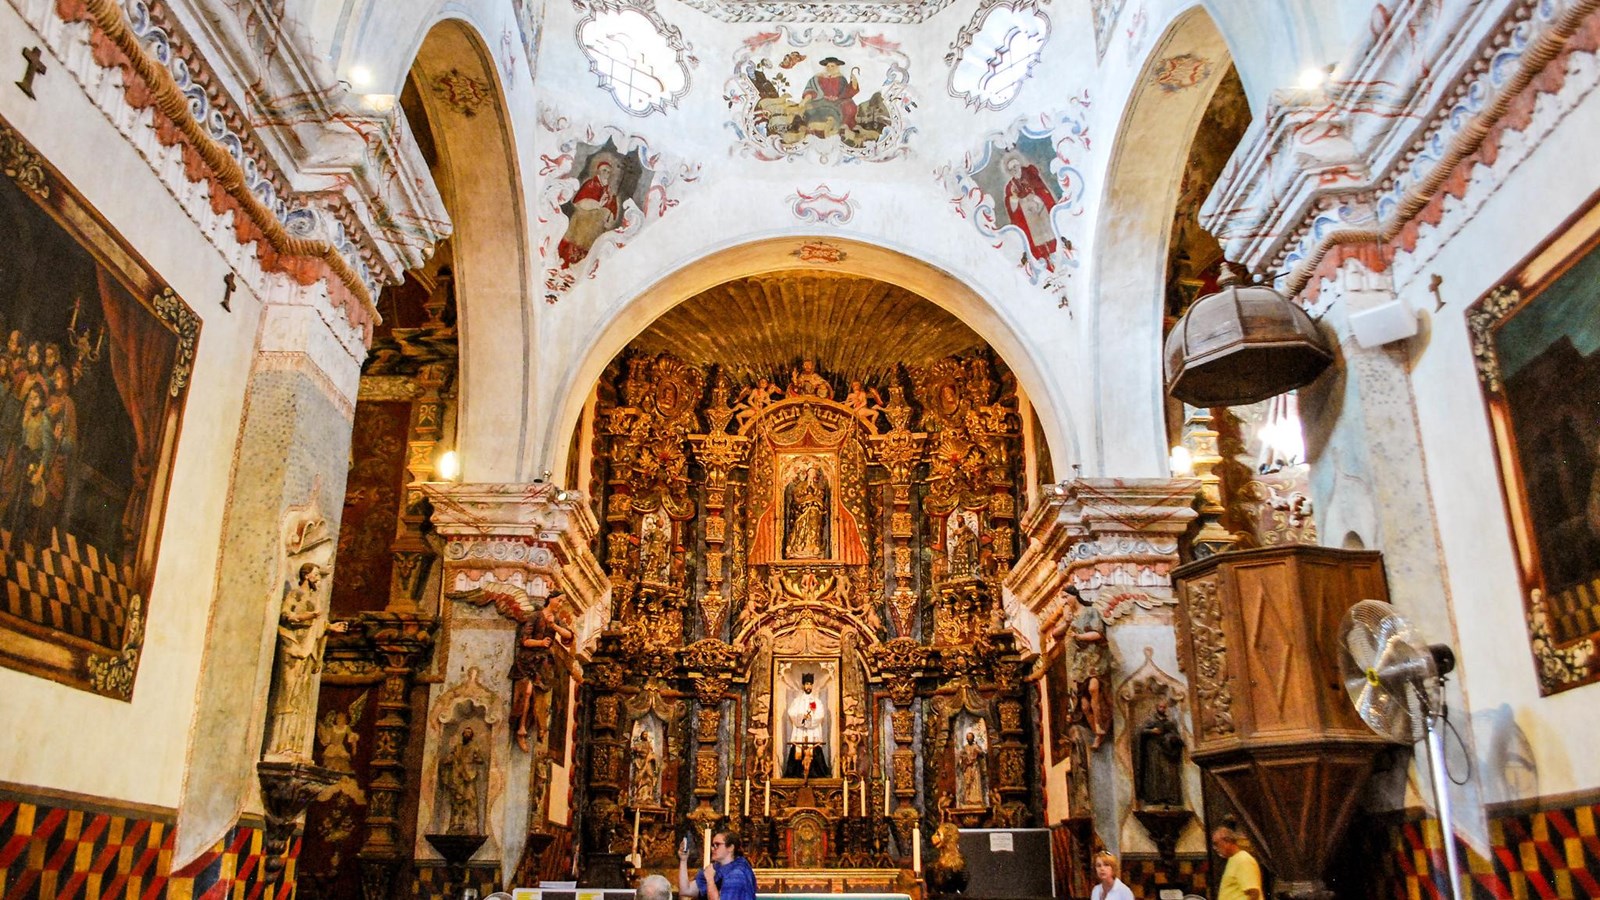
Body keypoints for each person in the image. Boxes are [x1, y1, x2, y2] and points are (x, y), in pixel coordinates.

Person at [558, 157, 622, 267]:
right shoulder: (590, 184)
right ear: (598, 171)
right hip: (583, 222)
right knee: (574, 247)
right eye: (604, 171)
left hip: (596, 227)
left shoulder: (609, 191)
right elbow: (579, 201)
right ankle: (564, 265)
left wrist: (610, 213)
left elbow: (612, 209)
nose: (606, 173)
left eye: (608, 172)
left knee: (587, 253)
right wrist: (598, 204)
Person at [1002, 153, 1060, 270]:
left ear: (1020, 166)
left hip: (1041, 211)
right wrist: (1014, 198)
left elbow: (1042, 189)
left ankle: (1056, 256)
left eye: (1016, 167)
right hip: (1029, 219)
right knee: (1037, 241)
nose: (1014, 170)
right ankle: (1044, 261)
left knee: (1049, 235)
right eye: (1011, 169)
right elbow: (1012, 209)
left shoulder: (1030, 175)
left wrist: (1036, 197)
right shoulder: (1010, 186)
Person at [679, 830, 756, 900]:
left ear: (731, 848)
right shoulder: (716, 868)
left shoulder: (737, 874)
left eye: (717, 845)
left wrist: (710, 879)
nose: (713, 848)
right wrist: (683, 860)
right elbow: (685, 891)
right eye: (713, 845)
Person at [784, 671, 830, 777]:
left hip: (813, 732)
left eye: (810, 684)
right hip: (800, 731)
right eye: (806, 684)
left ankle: (816, 774)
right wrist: (802, 717)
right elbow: (791, 713)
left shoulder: (817, 701)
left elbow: (820, 715)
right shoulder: (797, 701)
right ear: (803, 685)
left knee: (814, 750)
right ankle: (795, 775)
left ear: (812, 686)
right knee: (797, 750)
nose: (808, 686)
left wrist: (810, 719)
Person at [801, 58, 859, 135]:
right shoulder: (817, 78)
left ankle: (844, 127)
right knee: (808, 109)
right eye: (828, 66)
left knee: (850, 107)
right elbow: (811, 89)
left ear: (837, 67)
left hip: (838, 101)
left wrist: (854, 82)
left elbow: (846, 93)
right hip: (820, 100)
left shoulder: (841, 78)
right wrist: (806, 99)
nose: (830, 68)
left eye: (832, 66)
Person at [1213, 826, 1263, 900]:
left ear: (1227, 841)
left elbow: (1254, 893)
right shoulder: (1233, 859)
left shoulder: (1243, 860)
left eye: (1216, 843)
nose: (1215, 848)